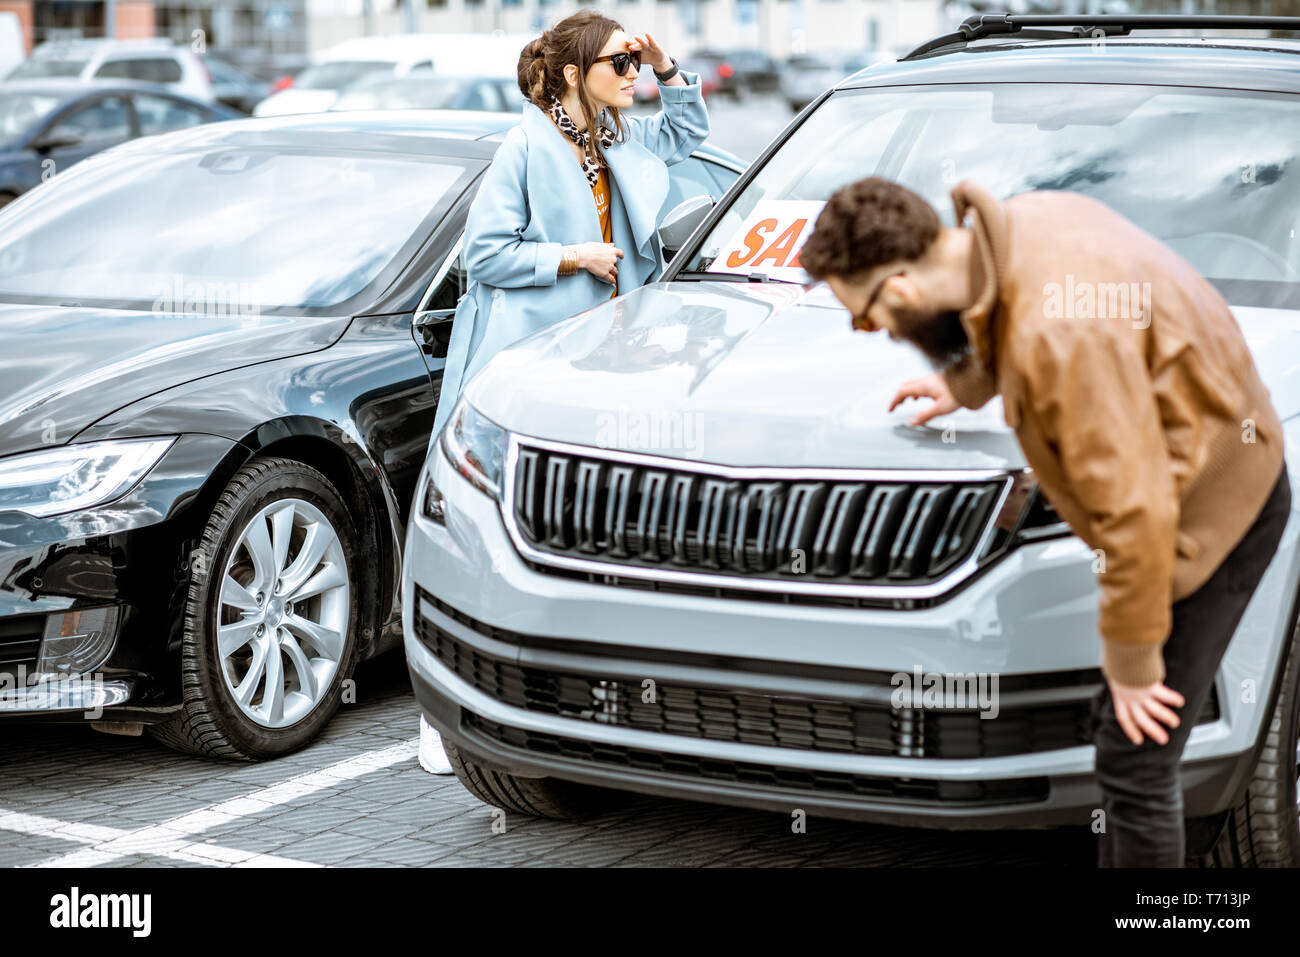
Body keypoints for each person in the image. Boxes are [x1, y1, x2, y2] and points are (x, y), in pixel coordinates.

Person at [799, 176, 1290, 866]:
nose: (871, 330)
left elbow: (1136, 515)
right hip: (1206, 458)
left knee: (1136, 755)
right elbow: (1000, 311)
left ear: (902, 286)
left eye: (863, 313)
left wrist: (1134, 667)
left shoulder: (1057, 340)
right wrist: (964, 384)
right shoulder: (1019, 226)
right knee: (1123, 739)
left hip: (1216, 508)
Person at [419, 10, 709, 774]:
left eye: (634, 64)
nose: (633, 76)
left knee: (588, 530)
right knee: (495, 530)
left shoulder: (618, 138)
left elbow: (688, 136)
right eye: (620, 64)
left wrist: (667, 65)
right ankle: (446, 715)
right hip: (531, 356)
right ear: (575, 74)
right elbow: (483, 255)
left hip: (612, 358)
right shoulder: (526, 145)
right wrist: (571, 256)